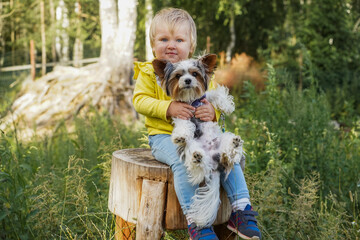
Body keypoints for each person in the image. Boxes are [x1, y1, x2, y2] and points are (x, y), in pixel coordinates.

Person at [132, 8, 261, 240]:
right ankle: (198, 224)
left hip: (202, 133)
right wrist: (168, 108)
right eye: (163, 39)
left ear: (190, 46)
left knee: (227, 154)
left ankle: (241, 210)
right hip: (164, 137)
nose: (171, 45)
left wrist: (212, 111)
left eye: (178, 40)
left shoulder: (197, 70)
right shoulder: (149, 72)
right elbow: (139, 101)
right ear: (153, 45)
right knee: (182, 161)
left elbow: (213, 98)